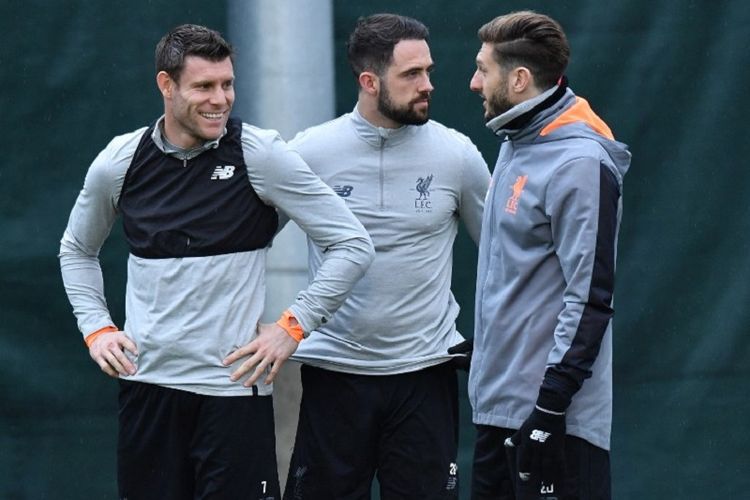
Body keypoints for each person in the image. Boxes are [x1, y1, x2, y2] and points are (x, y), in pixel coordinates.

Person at [58, 24, 374, 500]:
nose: (220, 99)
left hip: (233, 398)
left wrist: (293, 325)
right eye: (204, 86)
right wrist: (97, 328)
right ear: (166, 86)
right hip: (149, 394)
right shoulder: (119, 162)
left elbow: (352, 243)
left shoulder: (259, 154)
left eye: (227, 84)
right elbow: (77, 250)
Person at [282, 13, 490, 500]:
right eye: (412, 75)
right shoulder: (310, 152)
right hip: (334, 376)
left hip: (426, 377)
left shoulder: (456, 155)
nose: (428, 85)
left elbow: (504, 257)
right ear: (369, 82)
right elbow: (247, 237)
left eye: (428, 71)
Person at [467, 11, 631, 500]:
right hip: (497, 412)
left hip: (551, 424)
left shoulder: (580, 163)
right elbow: (522, 279)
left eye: (483, 69)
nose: (474, 82)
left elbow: (590, 297)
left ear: (518, 80)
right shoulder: (517, 141)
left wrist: (552, 407)